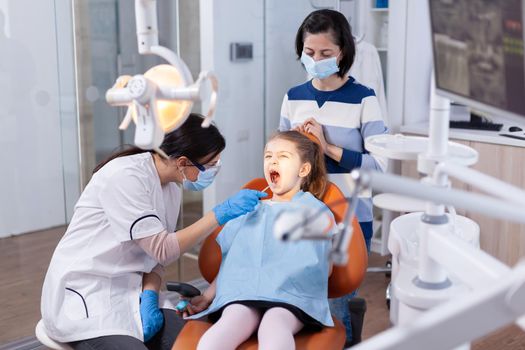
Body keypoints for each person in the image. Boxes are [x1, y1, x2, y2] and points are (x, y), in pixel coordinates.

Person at [40, 113, 268, 350]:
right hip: (88, 294)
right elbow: (163, 249)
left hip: (132, 290)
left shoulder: (171, 186)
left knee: (194, 345)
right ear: (182, 163)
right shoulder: (124, 176)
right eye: (210, 165)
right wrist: (219, 214)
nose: (213, 171)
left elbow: (153, 259)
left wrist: (150, 295)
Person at [278, 9, 389, 345]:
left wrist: (327, 147)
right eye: (309, 53)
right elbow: (279, 164)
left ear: (343, 53)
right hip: (303, 215)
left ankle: (348, 330)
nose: (316, 60)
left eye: (325, 53)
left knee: (333, 305)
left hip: (350, 219)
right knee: (305, 306)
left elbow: (379, 166)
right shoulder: (293, 97)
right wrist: (298, 151)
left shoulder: (363, 98)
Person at [181, 131, 335, 350]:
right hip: (244, 294)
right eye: (268, 156)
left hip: (289, 299)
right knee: (226, 327)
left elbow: (325, 269)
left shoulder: (314, 212)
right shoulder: (249, 208)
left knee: (273, 327)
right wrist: (207, 297)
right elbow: (233, 261)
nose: (273, 160)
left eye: (283, 156)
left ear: (304, 169)